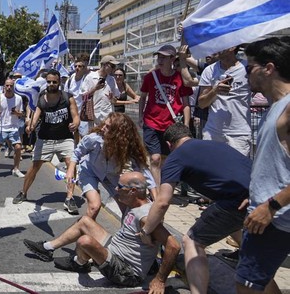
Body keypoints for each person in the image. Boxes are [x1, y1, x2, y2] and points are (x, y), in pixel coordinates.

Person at [23, 172, 180, 293]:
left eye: (120, 187)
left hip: (127, 271)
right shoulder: (132, 204)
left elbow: (173, 245)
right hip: (115, 250)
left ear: (133, 191)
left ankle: (79, 262)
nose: (117, 190)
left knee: (85, 241)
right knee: (85, 221)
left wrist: (160, 279)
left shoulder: (146, 217)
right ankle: (48, 248)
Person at [140, 123, 250, 294]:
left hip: (234, 202)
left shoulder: (175, 157)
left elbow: (162, 201)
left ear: (169, 145)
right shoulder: (217, 145)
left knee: (192, 241)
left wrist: (146, 230)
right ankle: (248, 253)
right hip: (261, 198)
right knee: (220, 218)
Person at [235, 37, 290, 294]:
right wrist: (257, 192)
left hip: (275, 218)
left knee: (247, 288)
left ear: (268, 68)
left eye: (249, 68)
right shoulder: (275, 108)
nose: (245, 75)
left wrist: (272, 204)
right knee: (260, 284)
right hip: (267, 212)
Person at [13, 69, 80, 215]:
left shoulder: (68, 98)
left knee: (71, 165)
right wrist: (30, 126)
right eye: (49, 81)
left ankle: (69, 198)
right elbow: (36, 116)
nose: (51, 84)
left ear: (59, 82)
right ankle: (23, 192)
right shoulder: (42, 98)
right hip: (45, 139)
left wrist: (75, 124)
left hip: (65, 138)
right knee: (35, 166)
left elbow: (76, 117)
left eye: (54, 82)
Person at [67, 112, 157, 219]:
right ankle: (84, 231)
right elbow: (77, 152)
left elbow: (144, 171)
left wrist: (156, 200)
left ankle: (125, 234)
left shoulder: (127, 146)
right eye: (104, 124)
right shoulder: (94, 139)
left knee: (127, 209)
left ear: (118, 132)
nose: (103, 128)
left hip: (111, 175)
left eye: (108, 127)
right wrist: (70, 170)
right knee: (94, 206)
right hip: (89, 171)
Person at [139, 44, 193, 186]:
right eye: (159, 57)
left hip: (171, 125)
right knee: (155, 158)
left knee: (167, 159)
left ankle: (164, 185)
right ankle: (157, 192)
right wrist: (140, 116)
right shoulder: (151, 77)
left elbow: (186, 103)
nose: (160, 60)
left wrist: (186, 125)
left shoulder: (180, 78)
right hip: (151, 122)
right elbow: (143, 97)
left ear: (172, 59)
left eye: (164, 57)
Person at [197, 45, 251, 156]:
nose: (215, 47)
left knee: (237, 172)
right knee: (210, 171)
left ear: (232, 47)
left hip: (239, 133)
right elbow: (201, 104)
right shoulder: (209, 70)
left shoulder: (247, 68)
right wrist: (214, 91)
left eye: (220, 44)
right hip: (213, 132)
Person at [0, 78, 25, 179]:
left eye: (11, 86)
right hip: (1, 127)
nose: (9, 88)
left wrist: (17, 113)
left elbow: (22, 113)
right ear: (4, 86)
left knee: (18, 147)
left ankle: (16, 169)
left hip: (13, 127)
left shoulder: (18, 98)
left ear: (14, 87)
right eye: (7, 85)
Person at [80, 55, 121, 127]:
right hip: (94, 115)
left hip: (108, 115)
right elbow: (83, 96)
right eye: (112, 66)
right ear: (105, 65)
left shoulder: (111, 79)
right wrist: (95, 88)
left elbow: (115, 100)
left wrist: (112, 98)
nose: (114, 69)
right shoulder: (90, 77)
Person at [64, 55, 90, 141]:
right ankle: (76, 150)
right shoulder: (70, 80)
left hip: (84, 113)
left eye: (80, 66)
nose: (77, 68)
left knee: (84, 135)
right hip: (72, 112)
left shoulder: (87, 79)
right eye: (76, 66)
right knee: (74, 134)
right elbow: (65, 94)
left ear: (84, 67)